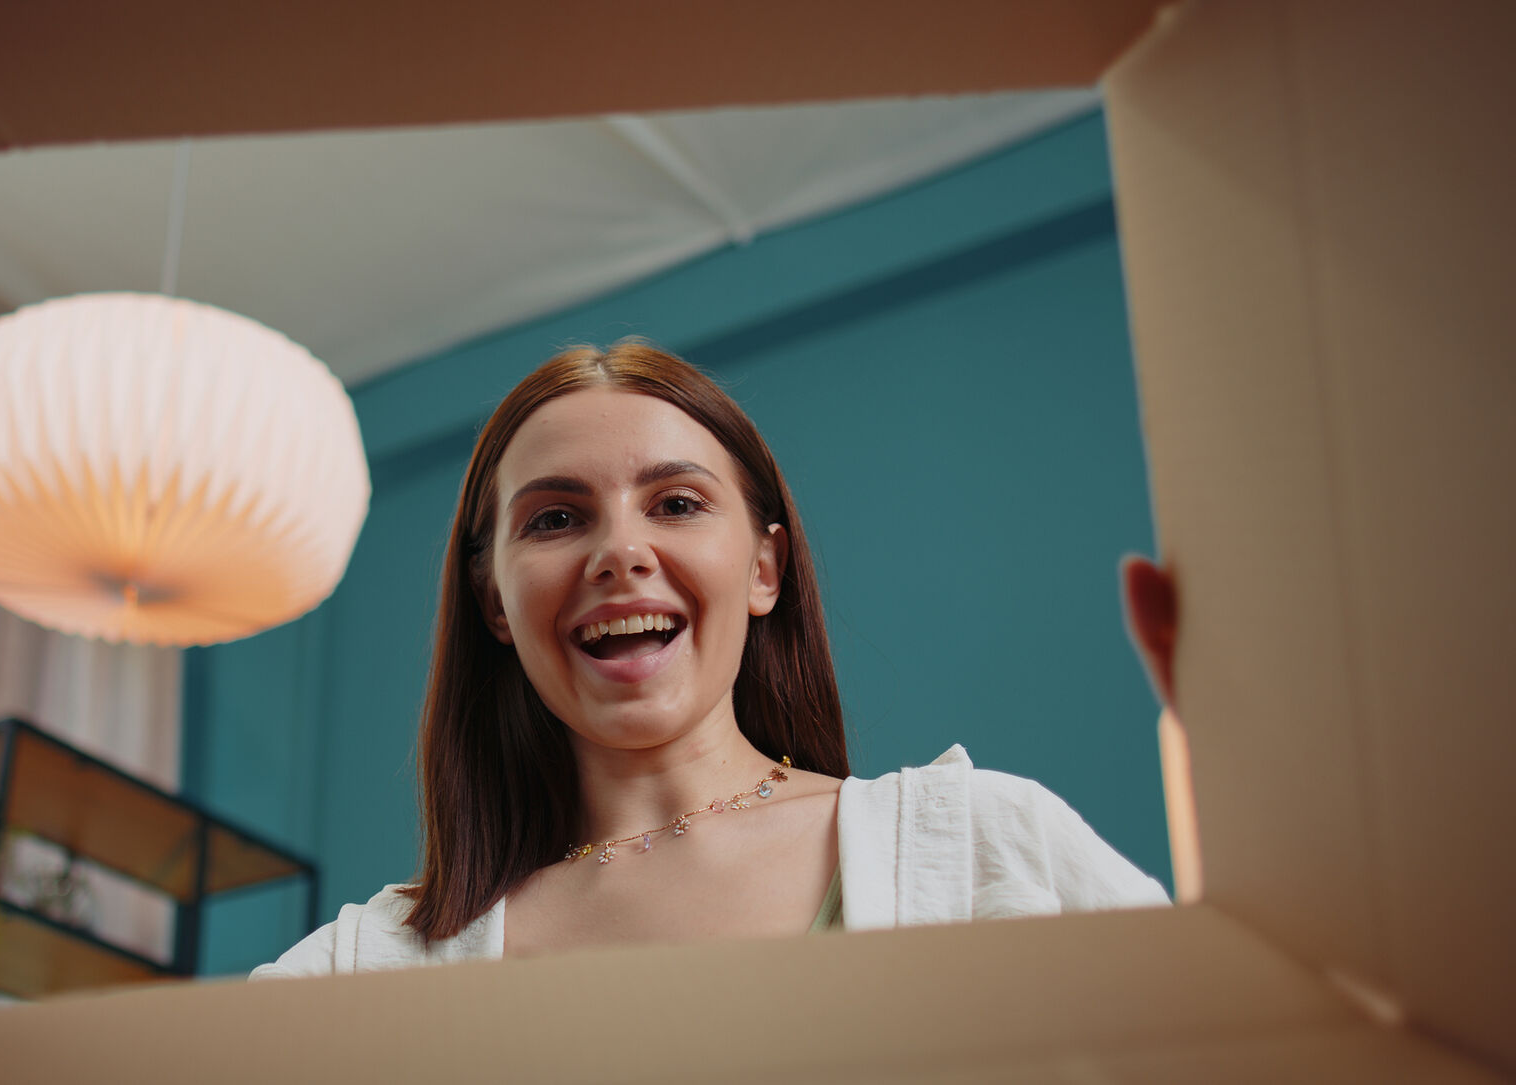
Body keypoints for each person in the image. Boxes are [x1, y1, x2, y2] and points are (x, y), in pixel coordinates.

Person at [250, 339, 1168, 978]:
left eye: (678, 503)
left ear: (765, 567)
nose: (620, 552)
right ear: (494, 600)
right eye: (555, 518)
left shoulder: (981, 841)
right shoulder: (369, 962)